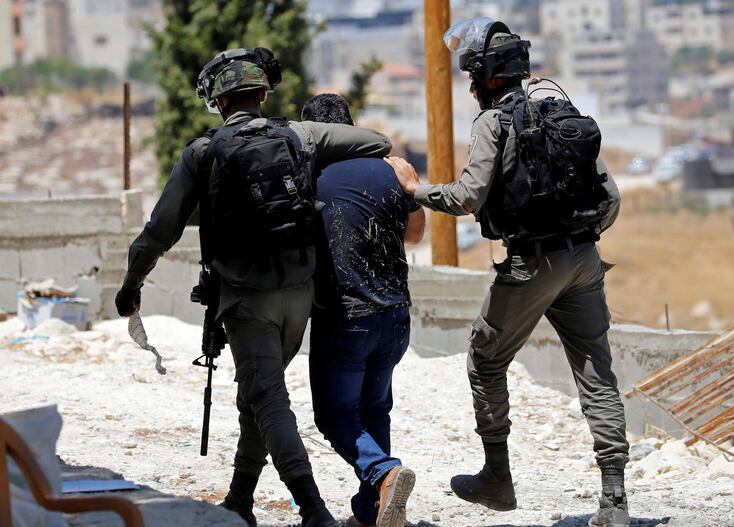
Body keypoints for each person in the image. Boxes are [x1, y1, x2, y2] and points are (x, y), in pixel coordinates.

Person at [114, 48, 393, 527]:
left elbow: (160, 231)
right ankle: (240, 501)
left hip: (247, 298)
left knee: (267, 399)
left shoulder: (203, 153)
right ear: (263, 94)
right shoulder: (299, 135)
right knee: (259, 397)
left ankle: (313, 509)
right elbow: (376, 141)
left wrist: (131, 282)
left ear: (218, 102)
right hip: (300, 295)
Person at [386, 18, 631, 527]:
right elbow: (610, 198)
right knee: (597, 376)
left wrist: (414, 193)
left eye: (473, 76)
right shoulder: (560, 109)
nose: (471, 86)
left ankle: (497, 479)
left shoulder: (493, 122)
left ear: (485, 77)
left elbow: (467, 197)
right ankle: (615, 501)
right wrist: (578, 240)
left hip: (531, 264)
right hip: (585, 261)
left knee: (484, 360)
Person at [300, 93, 424, 527]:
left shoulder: (311, 176)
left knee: (334, 415)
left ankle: (384, 472)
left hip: (346, 317)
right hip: (395, 316)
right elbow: (414, 235)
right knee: (375, 411)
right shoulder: (390, 168)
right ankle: (371, 513)